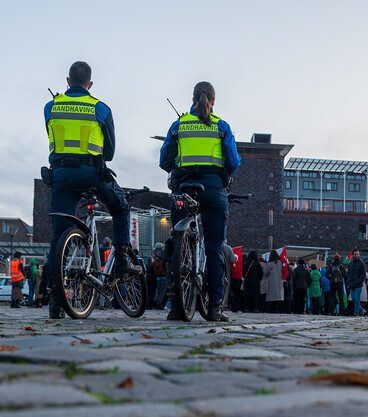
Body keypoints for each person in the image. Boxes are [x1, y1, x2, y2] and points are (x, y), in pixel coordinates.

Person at [44, 61, 141, 319]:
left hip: (61, 175)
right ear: (90, 84)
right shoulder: (100, 108)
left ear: (67, 81)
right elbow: (108, 152)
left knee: (58, 235)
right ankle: (121, 257)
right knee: (121, 207)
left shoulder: (50, 106)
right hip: (91, 173)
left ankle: (56, 299)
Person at [159, 81, 241, 322]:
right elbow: (234, 162)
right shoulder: (221, 126)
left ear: (192, 98)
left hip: (184, 187)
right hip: (213, 189)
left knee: (176, 241)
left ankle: (176, 307)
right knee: (215, 247)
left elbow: (165, 159)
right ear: (213, 101)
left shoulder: (178, 125)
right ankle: (214, 308)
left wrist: (178, 168)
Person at [347, 249, 366, 316]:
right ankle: (361, 310)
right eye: (355, 254)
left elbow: (363, 274)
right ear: (353, 255)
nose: (356, 255)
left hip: (358, 284)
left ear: (359, 254)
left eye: (357, 254)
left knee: (357, 298)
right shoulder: (351, 263)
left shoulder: (361, 263)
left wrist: (359, 281)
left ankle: (356, 312)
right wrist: (349, 281)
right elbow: (348, 273)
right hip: (352, 284)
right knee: (353, 299)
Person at [151, 242, 167, 309]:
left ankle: (156, 304)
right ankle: (159, 304)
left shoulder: (155, 260)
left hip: (157, 276)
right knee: (162, 291)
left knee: (157, 290)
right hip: (163, 276)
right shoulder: (164, 259)